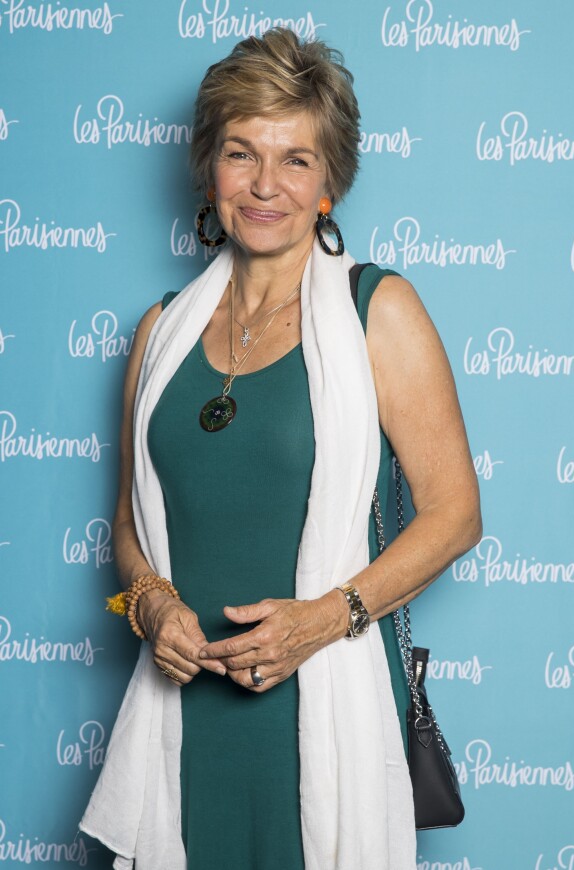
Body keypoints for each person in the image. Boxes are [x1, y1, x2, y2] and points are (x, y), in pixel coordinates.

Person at [80, 28, 482, 870]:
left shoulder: (380, 310)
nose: (266, 185)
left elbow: (454, 517)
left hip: (321, 713)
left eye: (296, 159)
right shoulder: (159, 333)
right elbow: (127, 525)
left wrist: (322, 622)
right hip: (179, 720)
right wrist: (149, 604)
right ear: (209, 169)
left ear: (330, 181)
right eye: (241, 153)